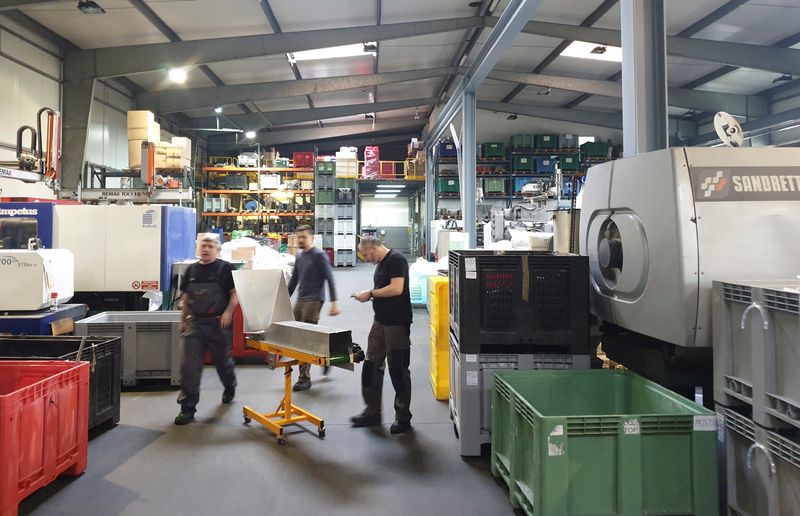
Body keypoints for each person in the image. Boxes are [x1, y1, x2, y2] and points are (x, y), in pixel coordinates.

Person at [174, 234, 239, 425]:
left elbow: (234, 294)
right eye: (204, 245)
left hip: (219, 323)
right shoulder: (191, 270)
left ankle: (230, 384)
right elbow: (185, 297)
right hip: (195, 324)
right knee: (189, 367)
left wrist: (228, 312)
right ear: (198, 248)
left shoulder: (226, 268)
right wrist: (183, 319)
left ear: (217, 249)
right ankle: (187, 408)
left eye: (211, 245)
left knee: (222, 362)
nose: (206, 249)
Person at [351, 236, 413, 434]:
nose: (366, 259)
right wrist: (371, 293)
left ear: (375, 247)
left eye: (367, 254)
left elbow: (396, 289)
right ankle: (372, 412)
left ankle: (403, 417)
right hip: (380, 322)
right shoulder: (381, 263)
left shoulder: (396, 259)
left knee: (398, 370)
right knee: (371, 366)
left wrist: (370, 293)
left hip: (397, 324)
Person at [287, 225, 340, 391]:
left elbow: (329, 278)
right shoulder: (300, 255)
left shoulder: (319, 255)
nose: (301, 240)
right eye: (299, 237)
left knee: (305, 339)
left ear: (311, 238)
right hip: (301, 299)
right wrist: (283, 299)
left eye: (304, 237)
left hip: (315, 300)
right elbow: (294, 280)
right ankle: (327, 356)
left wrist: (334, 302)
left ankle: (304, 378)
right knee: (300, 336)